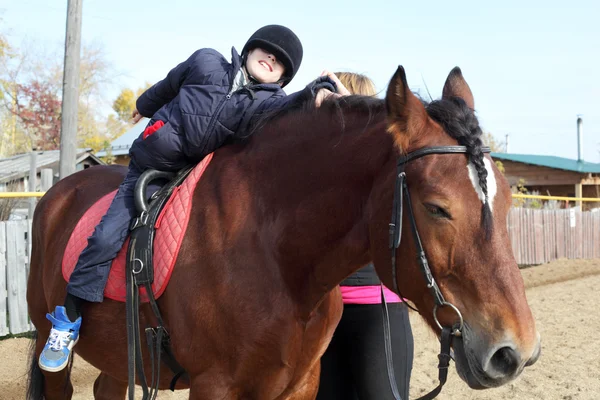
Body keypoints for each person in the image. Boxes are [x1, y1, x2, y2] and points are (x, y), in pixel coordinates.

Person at [38, 24, 348, 372]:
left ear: (281, 79)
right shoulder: (206, 62)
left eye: (281, 63)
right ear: (249, 51)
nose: (272, 58)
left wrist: (315, 92)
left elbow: (292, 108)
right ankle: (67, 321)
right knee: (107, 235)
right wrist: (144, 105)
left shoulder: (266, 103)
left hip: (194, 175)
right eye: (267, 50)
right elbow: (170, 83)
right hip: (150, 168)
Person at [316, 72, 414, 400]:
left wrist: (361, 112)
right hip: (322, 313)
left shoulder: (386, 163)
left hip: (377, 311)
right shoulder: (314, 165)